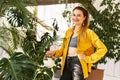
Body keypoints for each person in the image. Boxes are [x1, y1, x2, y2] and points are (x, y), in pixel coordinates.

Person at [46, 6, 107, 80]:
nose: (75, 17)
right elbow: (63, 50)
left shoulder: (89, 33)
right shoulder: (68, 32)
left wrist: (88, 58)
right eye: (74, 15)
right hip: (66, 62)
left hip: (78, 63)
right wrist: (54, 53)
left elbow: (103, 49)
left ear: (84, 17)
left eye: (79, 15)